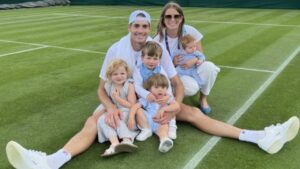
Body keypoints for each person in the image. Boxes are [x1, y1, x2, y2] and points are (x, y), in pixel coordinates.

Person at [5, 8, 300, 169]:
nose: (141, 31)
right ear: (130, 26)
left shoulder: (157, 46)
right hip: (121, 101)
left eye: (145, 27)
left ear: (149, 29)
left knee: (193, 114)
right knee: (91, 122)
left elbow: (174, 81)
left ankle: (259, 137)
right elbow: (100, 88)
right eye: (136, 26)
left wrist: (174, 103)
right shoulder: (115, 48)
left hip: (156, 102)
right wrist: (109, 108)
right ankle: (48, 162)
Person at [153, 2, 220, 113]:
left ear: (182, 18)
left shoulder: (190, 30)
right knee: (191, 88)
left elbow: (201, 55)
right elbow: (157, 67)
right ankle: (176, 96)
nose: (172, 19)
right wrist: (173, 63)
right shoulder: (157, 39)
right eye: (168, 16)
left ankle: (203, 99)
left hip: (194, 68)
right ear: (163, 19)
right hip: (175, 73)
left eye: (176, 16)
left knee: (210, 67)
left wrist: (194, 60)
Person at [133, 41, 178, 140]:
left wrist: (167, 95)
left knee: (171, 106)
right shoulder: (138, 70)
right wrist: (147, 94)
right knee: (140, 112)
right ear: (142, 58)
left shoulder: (160, 69)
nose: (151, 61)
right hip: (148, 99)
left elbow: (167, 84)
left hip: (161, 97)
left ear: (159, 59)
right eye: (148, 58)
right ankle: (146, 129)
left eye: (155, 58)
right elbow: (137, 86)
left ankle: (172, 127)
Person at [96, 59, 138, 157]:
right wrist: (110, 109)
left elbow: (132, 105)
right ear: (110, 76)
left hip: (127, 111)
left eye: (122, 73)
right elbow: (109, 102)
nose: (119, 76)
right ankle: (114, 143)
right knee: (103, 119)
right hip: (116, 110)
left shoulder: (129, 86)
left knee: (118, 117)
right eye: (115, 74)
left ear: (127, 73)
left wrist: (118, 98)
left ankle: (127, 140)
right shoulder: (108, 86)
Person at [129, 74, 180, 153]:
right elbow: (135, 107)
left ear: (167, 89)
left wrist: (164, 109)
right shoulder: (147, 99)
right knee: (138, 110)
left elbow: (177, 106)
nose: (160, 90)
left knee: (164, 126)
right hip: (147, 120)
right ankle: (146, 130)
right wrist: (131, 118)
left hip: (160, 122)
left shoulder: (167, 98)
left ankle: (164, 140)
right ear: (149, 89)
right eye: (156, 87)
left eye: (163, 88)